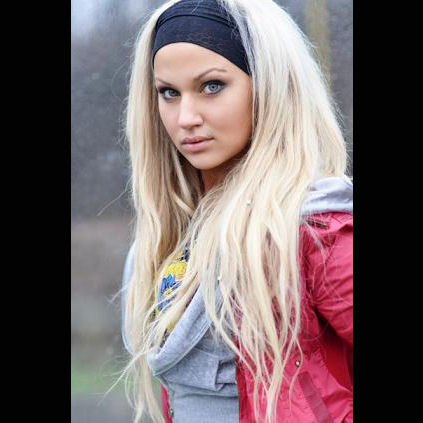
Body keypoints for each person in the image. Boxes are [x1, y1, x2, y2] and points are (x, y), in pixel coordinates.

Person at [120, 0, 353, 422]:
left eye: (211, 86)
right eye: (169, 92)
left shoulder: (313, 233)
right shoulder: (167, 241)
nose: (185, 117)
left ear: (269, 86)